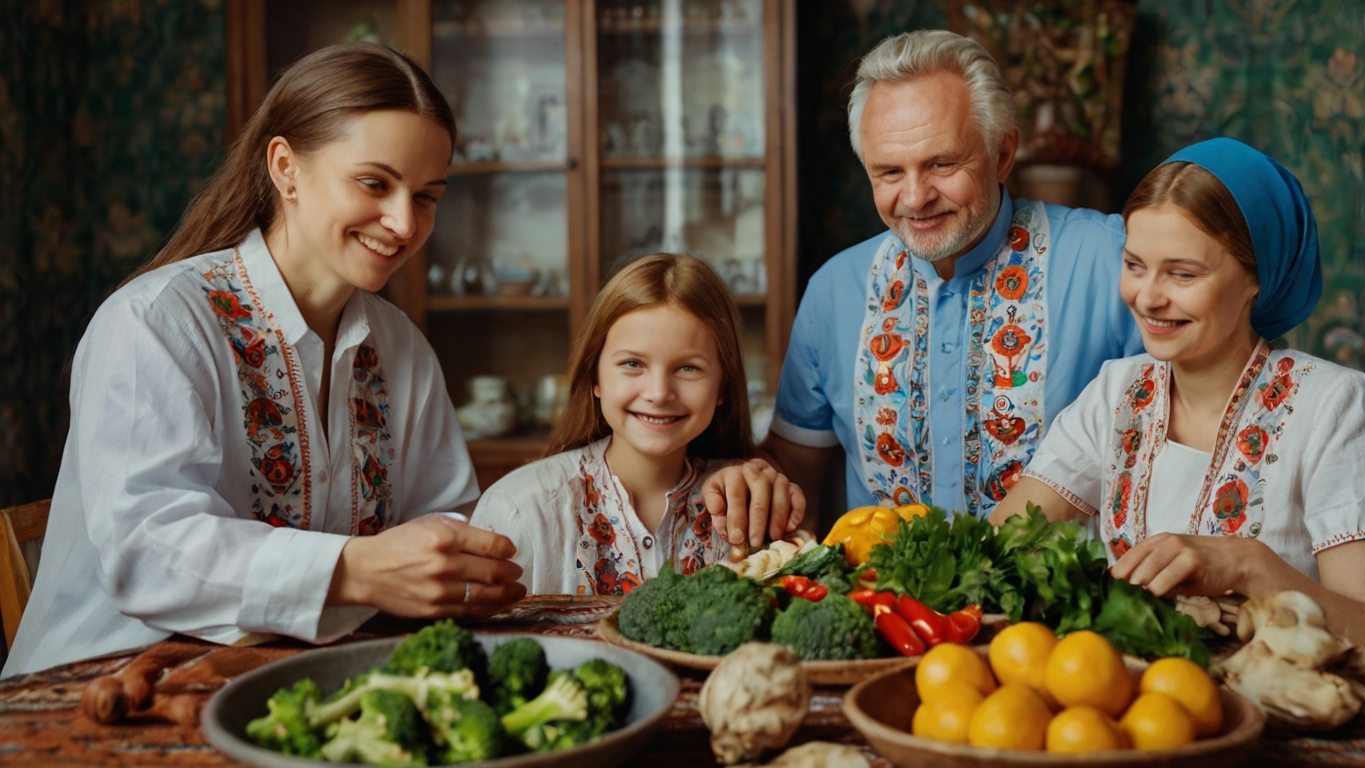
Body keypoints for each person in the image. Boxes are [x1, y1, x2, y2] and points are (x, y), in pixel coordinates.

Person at [3, 43, 527, 678]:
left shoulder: (401, 347)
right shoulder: (155, 322)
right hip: (102, 688)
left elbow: (446, 515)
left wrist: (457, 564)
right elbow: (150, 551)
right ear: (286, 168)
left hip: (297, 680)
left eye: (426, 196)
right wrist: (357, 569)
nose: (403, 223)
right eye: (374, 182)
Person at [707, 30, 1142, 525]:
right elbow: (795, 468)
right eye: (890, 172)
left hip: (1071, 600)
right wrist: (742, 480)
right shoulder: (834, 291)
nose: (915, 198)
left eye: (941, 163)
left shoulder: (1110, 261)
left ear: (1002, 154)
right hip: (882, 601)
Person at [989, 137, 1365, 645]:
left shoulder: (1332, 405)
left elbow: (1364, 626)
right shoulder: (1115, 392)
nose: (1147, 297)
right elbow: (1003, 542)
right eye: (1135, 265)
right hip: (1125, 702)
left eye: (1182, 274)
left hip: (1276, 711)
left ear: (1258, 277)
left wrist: (1249, 565)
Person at [469, 253, 805, 594]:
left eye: (688, 368)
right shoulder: (519, 510)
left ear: (723, 387)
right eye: (632, 363)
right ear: (595, 377)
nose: (658, 393)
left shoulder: (751, 502)